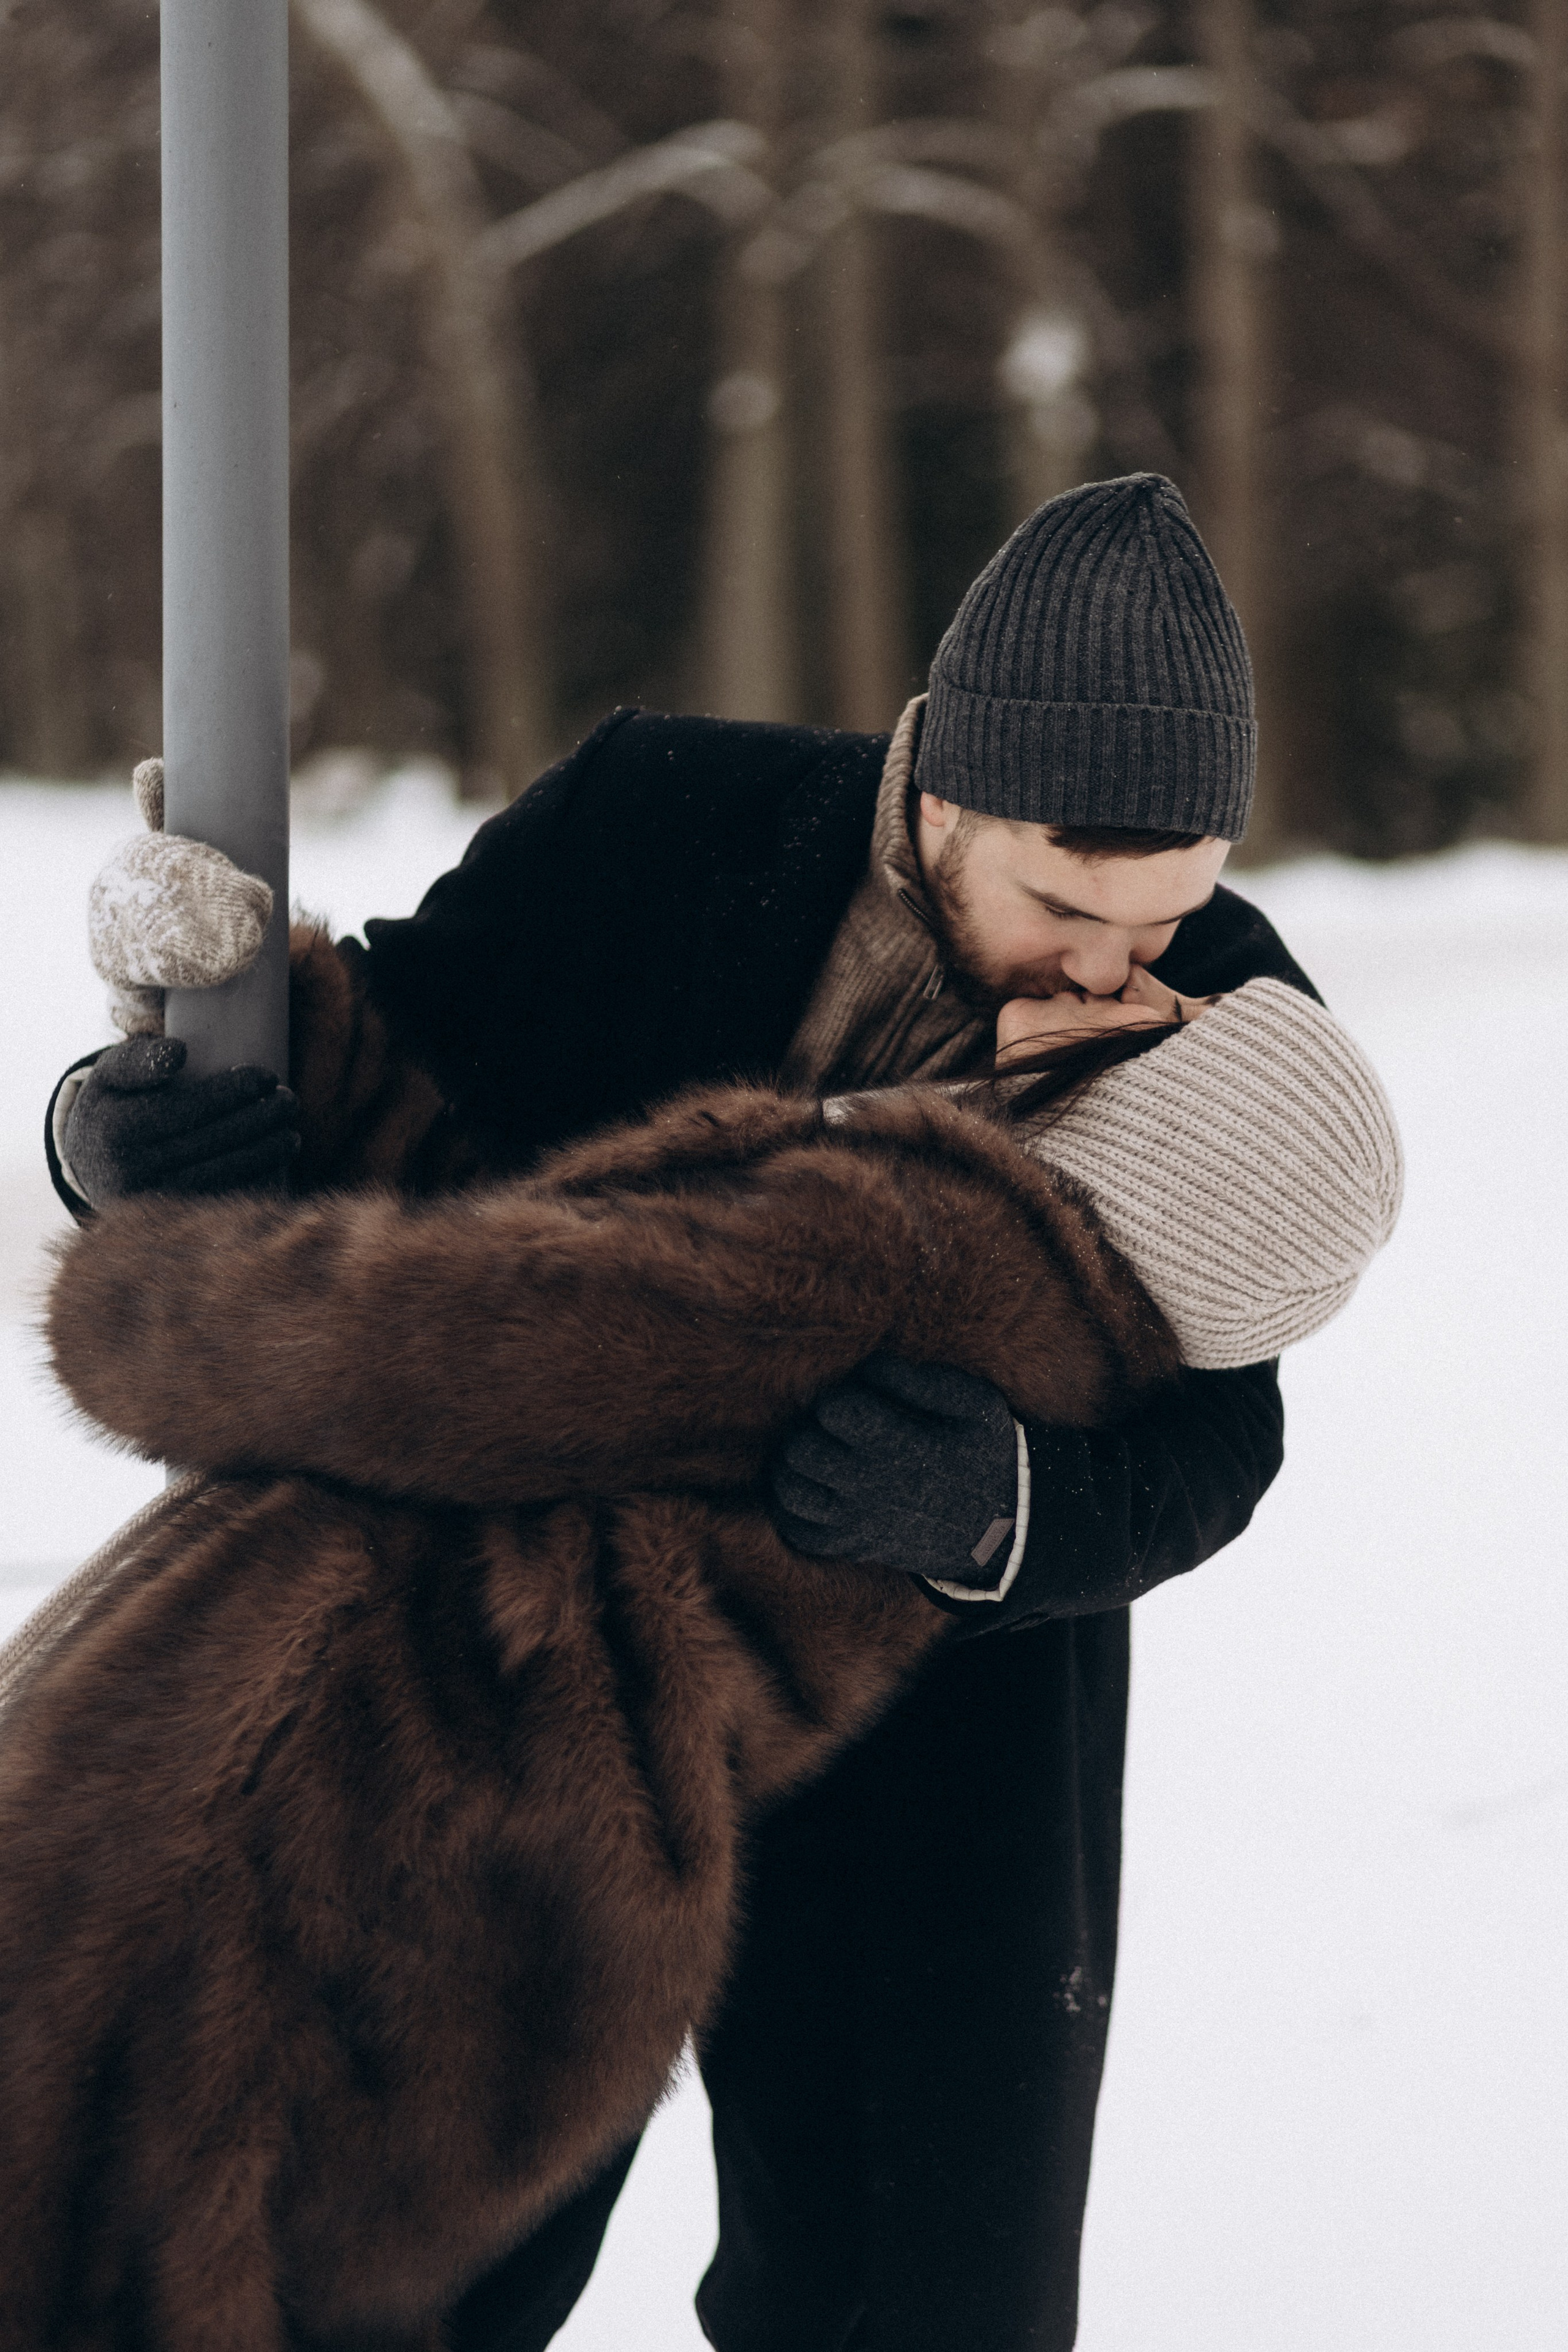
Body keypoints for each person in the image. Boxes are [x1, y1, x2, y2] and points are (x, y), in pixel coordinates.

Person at [43, 475, 1324, 2350]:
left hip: (938, 1731)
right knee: (406, 2276)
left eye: (1170, 915)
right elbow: (361, 1074)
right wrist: (121, 1128)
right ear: (943, 787)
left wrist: (1012, 1514)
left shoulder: (1218, 1001)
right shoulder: (655, 817)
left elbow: (1229, 1434)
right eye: (1064, 906)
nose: (1115, 974)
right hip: (524, 1676)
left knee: (916, 2308)